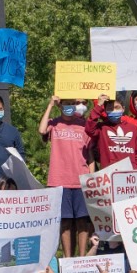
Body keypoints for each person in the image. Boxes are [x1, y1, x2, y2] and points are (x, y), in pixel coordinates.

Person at [39, 95, 93, 257]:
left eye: (73, 104)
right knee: (65, 222)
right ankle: (68, 258)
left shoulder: (84, 125)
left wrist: (91, 177)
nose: (70, 106)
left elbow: (90, 154)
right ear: (60, 105)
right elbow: (42, 130)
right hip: (59, 180)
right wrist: (50, 104)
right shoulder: (54, 124)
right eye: (67, 104)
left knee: (82, 221)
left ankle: (82, 257)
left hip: (81, 179)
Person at [88, 95, 137, 170]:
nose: (113, 110)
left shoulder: (133, 129)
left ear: (123, 109)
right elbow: (89, 129)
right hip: (108, 175)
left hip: (129, 175)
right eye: (110, 108)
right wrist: (98, 106)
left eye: (117, 107)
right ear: (105, 110)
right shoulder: (101, 128)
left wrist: (136, 169)